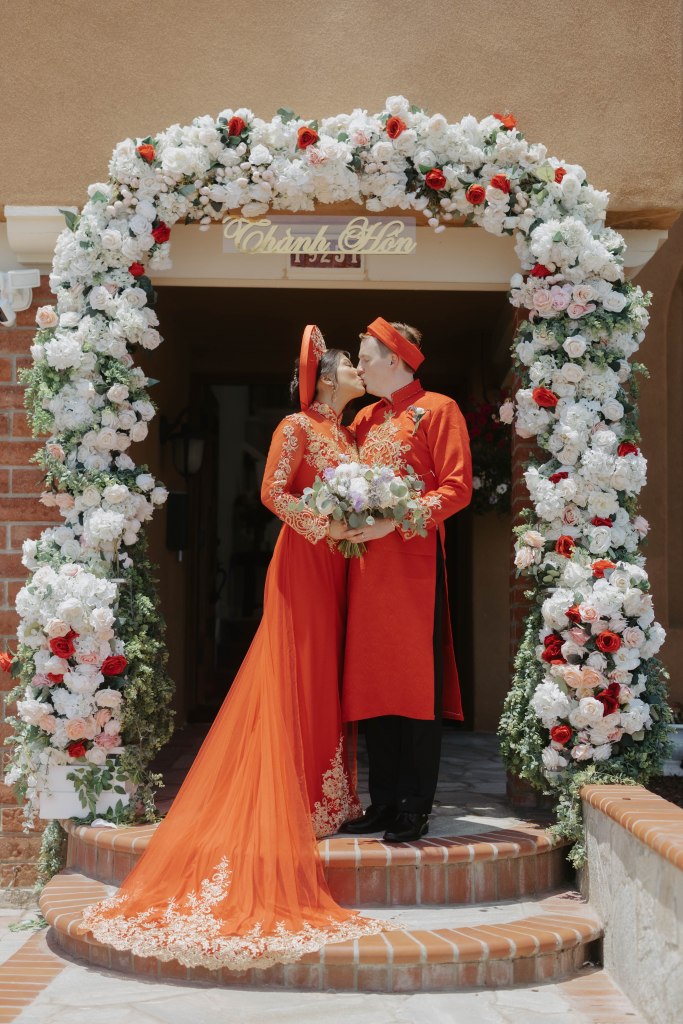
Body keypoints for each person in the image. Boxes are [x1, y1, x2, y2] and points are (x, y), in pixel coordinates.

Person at [80, 326, 383, 972]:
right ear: (326, 378)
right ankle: (294, 800)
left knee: (327, 673)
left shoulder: (349, 436)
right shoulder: (295, 427)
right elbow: (273, 492)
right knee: (298, 668)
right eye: (349, 363)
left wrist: (355, 525)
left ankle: (325, 797)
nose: (360, 369)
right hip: (303, 561)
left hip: (339, 564)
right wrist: (323, 523)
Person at [341, 318, 472, 843]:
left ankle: (414, 805)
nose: (358, 367)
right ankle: (383, 801)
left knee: (414, 684)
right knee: (373, 678)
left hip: (413, 567)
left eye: (364, 357)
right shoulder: (364, 419)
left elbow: (457, 488)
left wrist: (394, 521)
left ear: (394, 359)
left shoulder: (438, 410)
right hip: (365, 567)